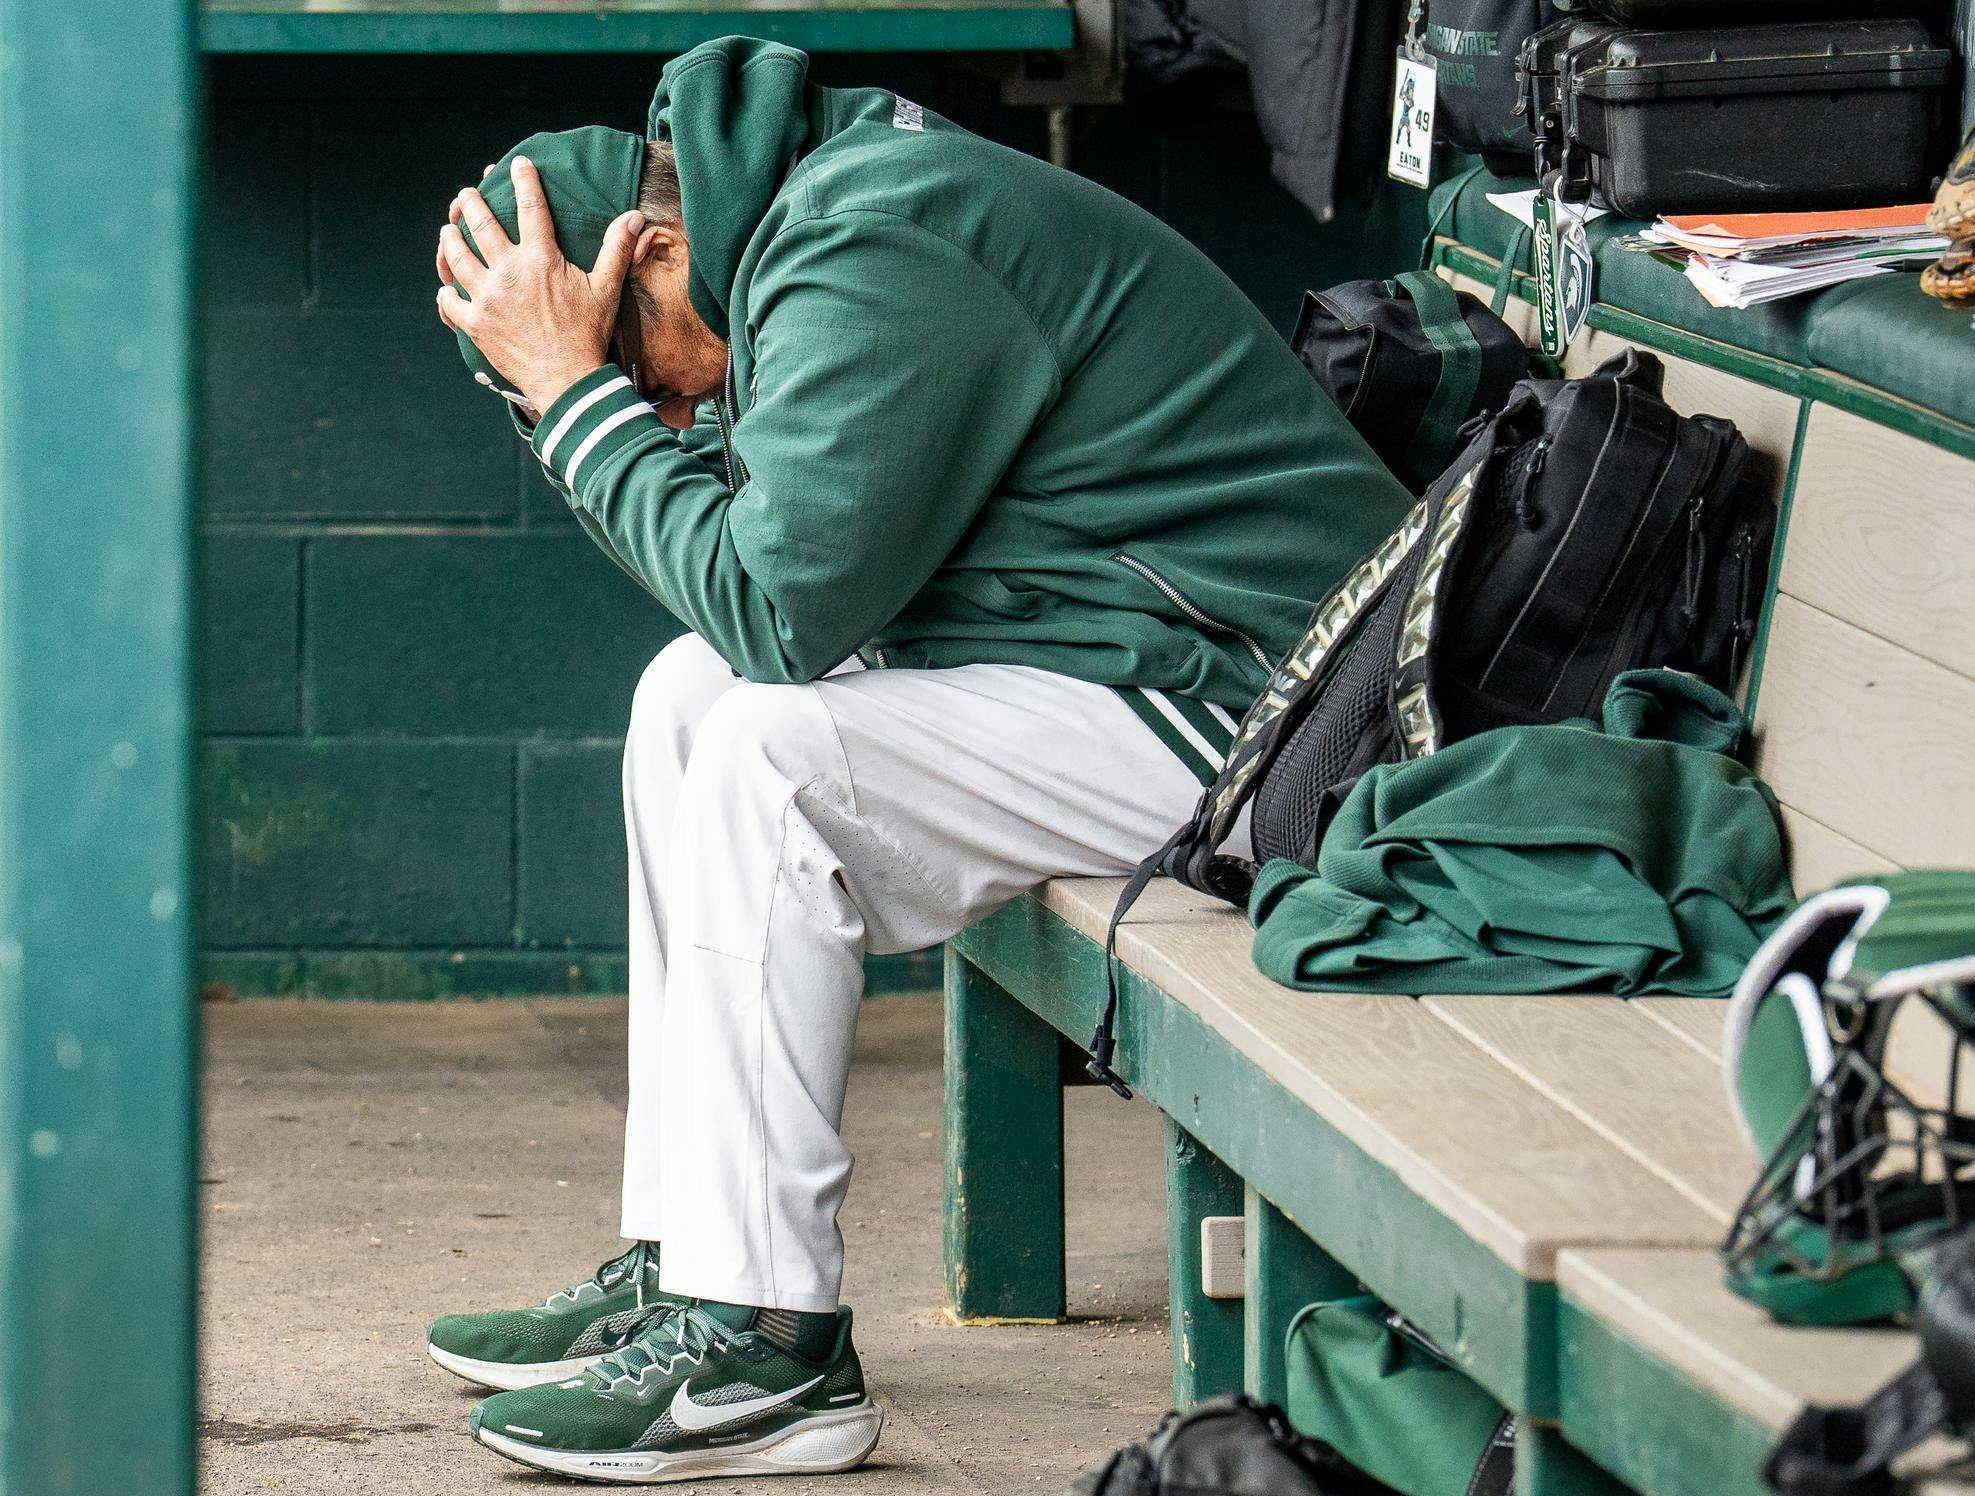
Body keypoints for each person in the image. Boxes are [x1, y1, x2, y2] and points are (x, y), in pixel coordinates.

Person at [426, 34, 1411, 1484]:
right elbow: (742, 600)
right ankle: (693, 1256)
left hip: (1286, 718)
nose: (672, 415)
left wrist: (581, 401)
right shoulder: (794, 228)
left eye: (633, 363)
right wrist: (572, 386)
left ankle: (767, 1348)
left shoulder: (875, 236)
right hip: (1127, 670)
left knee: (768, 747)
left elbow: (778, 606)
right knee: (686, 697)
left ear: (651, 249)